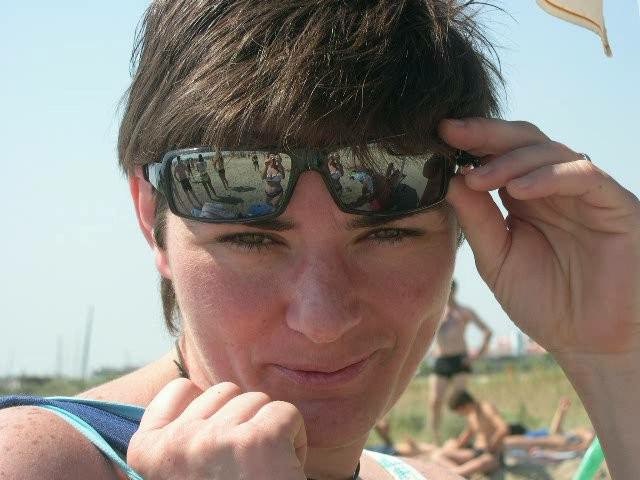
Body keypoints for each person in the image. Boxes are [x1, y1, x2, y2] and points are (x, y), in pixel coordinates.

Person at [1, 1, 639, 479]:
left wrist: (614, 358)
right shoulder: (35, 462)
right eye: (253, 241)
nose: (324, 319)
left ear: (461, 231)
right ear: (152, 219)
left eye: (388, 233)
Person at [429, 280, 492, 443]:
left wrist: (476, 355)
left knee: (461, 402)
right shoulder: (435, 313)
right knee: (435, 401)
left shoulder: (464, 312)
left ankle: (469, 435)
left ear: (454, 291)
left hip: (460, 359)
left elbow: (487, 331)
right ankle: (435, 437)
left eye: (449, 289)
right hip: (442, 359)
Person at [431, 390, 509, 478]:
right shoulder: (472, 415)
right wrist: (452, 447)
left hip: (492, 456)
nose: (460, 415)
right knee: (437, 456)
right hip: (476, 452)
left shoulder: (486, 408)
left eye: (459, 412)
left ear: (463, 406)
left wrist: (492, 446)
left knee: (459, 471)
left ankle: (457, 473)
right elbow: (466, 436)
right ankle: (458, 473)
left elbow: (503, 428)